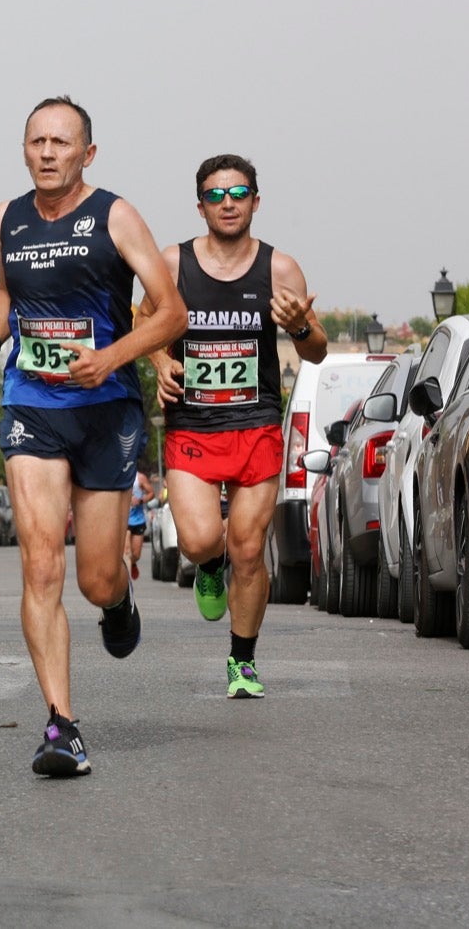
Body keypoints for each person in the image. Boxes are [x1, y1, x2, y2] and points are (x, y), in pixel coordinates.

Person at [0, 96, 186, 778]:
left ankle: (118, 599)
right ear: (24, 150)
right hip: (33, 401)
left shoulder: (115, 215)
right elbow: (8, 290)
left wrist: (112, 358)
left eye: (62, 142)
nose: (48, 153)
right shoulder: (7, 218)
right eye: (37, 141)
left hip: (107, 405)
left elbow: (170, 313)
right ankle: (61, 725)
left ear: (87, 154)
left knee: (95, 576)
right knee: (41, 563)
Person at [141, 154, 327, 699]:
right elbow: (140, 319)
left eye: (238, 193)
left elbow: (315, 351)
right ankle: (208, 564)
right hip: (193, 425)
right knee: (200, 539)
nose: (228, 203)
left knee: (250, 547)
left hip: (256, 422)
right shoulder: (173, 262)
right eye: (216, 195)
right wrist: (160, 365)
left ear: (255, 201)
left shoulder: (281, 269)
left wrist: (298, 328)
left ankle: (242, 661)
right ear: (200, 205)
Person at [124, 470, 154, 580]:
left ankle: (133, 563)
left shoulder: (140, 478)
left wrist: (141, 500)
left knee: (136, 555)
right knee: (126, 551)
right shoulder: (117, 475)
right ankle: (126, 583)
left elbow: (151, 493)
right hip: (124, 520)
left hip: (138, 520)